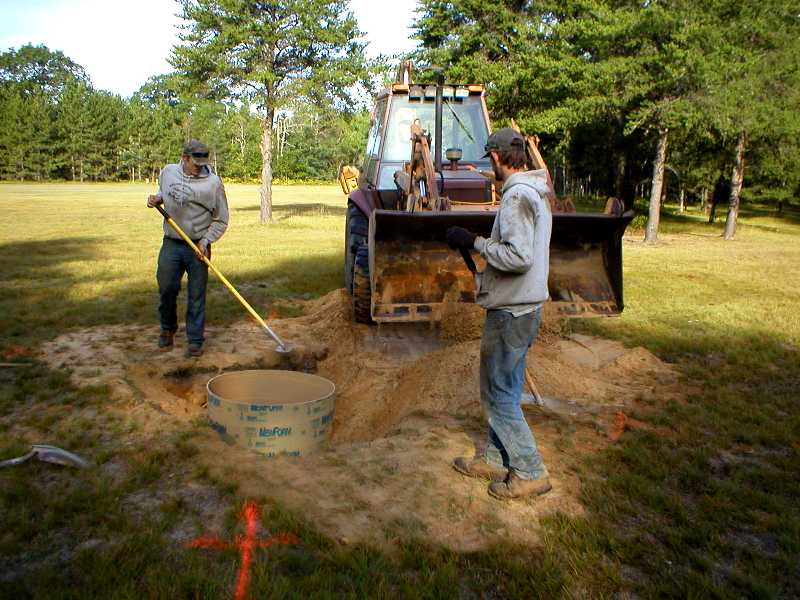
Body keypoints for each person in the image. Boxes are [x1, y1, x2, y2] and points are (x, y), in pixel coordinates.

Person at [445, 128, 553, 500]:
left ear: (495, 156)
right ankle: (495, 457)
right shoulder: (536, 192)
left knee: (498, 394)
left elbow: (519, 257)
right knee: (505, 388)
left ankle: (530, 471)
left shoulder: (516, 196)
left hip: (511, 312)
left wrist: (474, 242)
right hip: (524, 307)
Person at [147, 140, 229, 358]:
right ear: (184, 158)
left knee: (196, 294)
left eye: (203, 164)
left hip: (198, 245)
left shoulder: (213, 184)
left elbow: (221, 219)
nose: (199, 168)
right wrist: (157, 199)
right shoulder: (168, 172)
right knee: (166, 287)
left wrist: (205, 241)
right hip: (172, 242)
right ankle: (168, 329)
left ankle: (195, 340)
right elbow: (165, 191)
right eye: (195, 163)